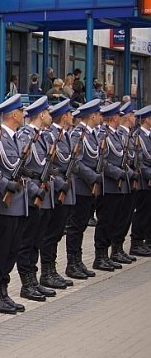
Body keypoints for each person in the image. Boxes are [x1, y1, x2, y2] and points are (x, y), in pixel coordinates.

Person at [0, 94, 29, 315]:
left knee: (13, 250)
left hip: (19, 203)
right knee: (0, 250)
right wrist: (6, 185)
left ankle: (4, 291)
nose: (24, 115)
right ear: (13, 114)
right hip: (5, 203)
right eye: (22, 111)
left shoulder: (19, 138)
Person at [13, 97, 56, 303]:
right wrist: (34, 190)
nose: (50, 116)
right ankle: (26, 282)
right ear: (41, 115)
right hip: (31, 197)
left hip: (41, 194)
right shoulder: (25, 136)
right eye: (48, 112)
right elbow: (20, 168)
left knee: (37, 240)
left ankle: (33, 278)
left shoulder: (43, 137)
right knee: (27, 242)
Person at [38, 99, 76, 290]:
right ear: (64, 116)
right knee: (50, 234)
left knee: (58, 233)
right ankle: (46, 272)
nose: (72, 117)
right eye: (70, 114)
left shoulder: (64, 135)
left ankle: (52, 269)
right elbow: (48, 165)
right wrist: (61, 184)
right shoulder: (51, 135)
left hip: (65, 190)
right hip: (55, 190)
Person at [64, 99, 103, 275]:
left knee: (81, 226)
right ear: (93, 115)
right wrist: (93, 177)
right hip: (81, 186)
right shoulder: (78, 134)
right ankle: (72, 262)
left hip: (89, 187)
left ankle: (78, 260)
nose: (101, 117)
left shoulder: (92, 134)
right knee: (75, 226)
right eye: (99, 114)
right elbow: (77, 163)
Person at [94, 102, 131, 269]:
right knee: (105, 221)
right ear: (115, 117)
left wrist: (127, 174)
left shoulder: (115, 135)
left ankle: (108, 253)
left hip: (118, 186)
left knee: (115, 220)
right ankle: (100, 255)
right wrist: (118, 173)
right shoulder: (104, 134)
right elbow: (103, 161)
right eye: (119, 115)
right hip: (108, 185)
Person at [111, 102, 138, 263]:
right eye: (133, 115)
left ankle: (118, 248)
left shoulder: (128, 135)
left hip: (129, 180)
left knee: (126, 217)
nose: (135, 118)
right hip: (121, 180)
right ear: (127, 117)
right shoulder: (120, 134)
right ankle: (114, 249)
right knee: (118, 217)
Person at [130, 105, 151, 255]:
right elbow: (141, 161)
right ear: (147, 120)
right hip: (144, 180)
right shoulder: (138, 137)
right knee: (142, 212)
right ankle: (136, 242)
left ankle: (148, 240)